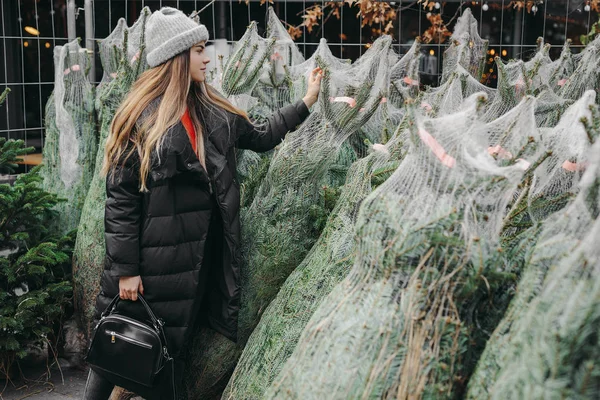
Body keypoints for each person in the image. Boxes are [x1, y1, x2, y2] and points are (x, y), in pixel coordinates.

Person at [82, 6, 322, 400]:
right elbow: (121, 200)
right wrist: (126, 270)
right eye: (197, 50)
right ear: (175, 59)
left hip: (194, 268)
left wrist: (307, 101)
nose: (207, 57)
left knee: (166, 359)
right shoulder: (142, 119)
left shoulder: (213, 111)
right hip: (145, 273)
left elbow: (261, 136)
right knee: (114, 352)